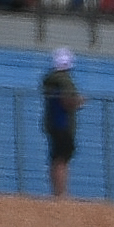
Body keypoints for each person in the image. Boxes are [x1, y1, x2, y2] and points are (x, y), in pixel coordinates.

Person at [35, 46, 75, 198]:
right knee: (62, 158)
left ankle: (57, 192)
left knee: (56, 158)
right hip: (63, 125)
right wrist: (78, 101)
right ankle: (61, 193)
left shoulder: (50, 81)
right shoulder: (64, 81)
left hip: (52, 124)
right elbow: (67, 101)